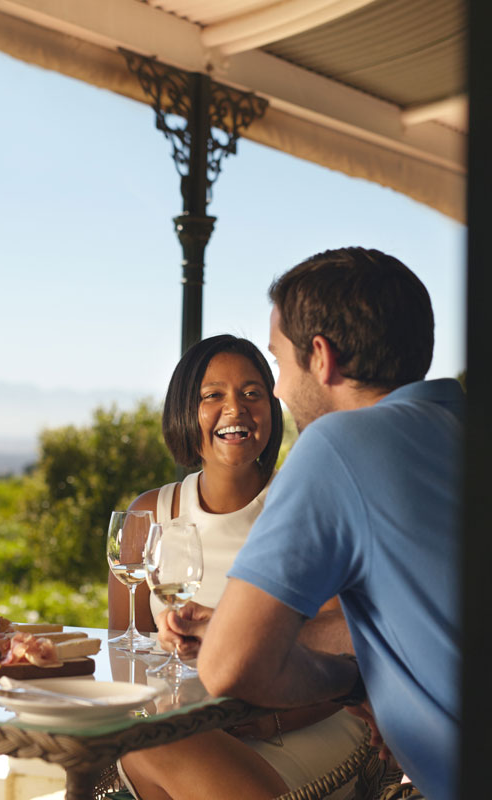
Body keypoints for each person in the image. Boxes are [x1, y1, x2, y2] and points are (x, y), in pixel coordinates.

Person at [167, 247, 465, 800]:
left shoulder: (341, 443)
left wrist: (351, 679)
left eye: (278, 364)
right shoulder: (470, 427)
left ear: (321, 358)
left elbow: (228, 667)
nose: (278, 389)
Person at [108, 334, 369, 800]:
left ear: (271, 409)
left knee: (153, 746)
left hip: (303, 724)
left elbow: (345, 650)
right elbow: (125, 655)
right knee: (149, 743)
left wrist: (269, 720)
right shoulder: (149, 514)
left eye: (252, 394)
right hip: (183, 728)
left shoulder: (307, 505)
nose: (236, 409)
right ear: (185, 411)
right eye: (214, 396)